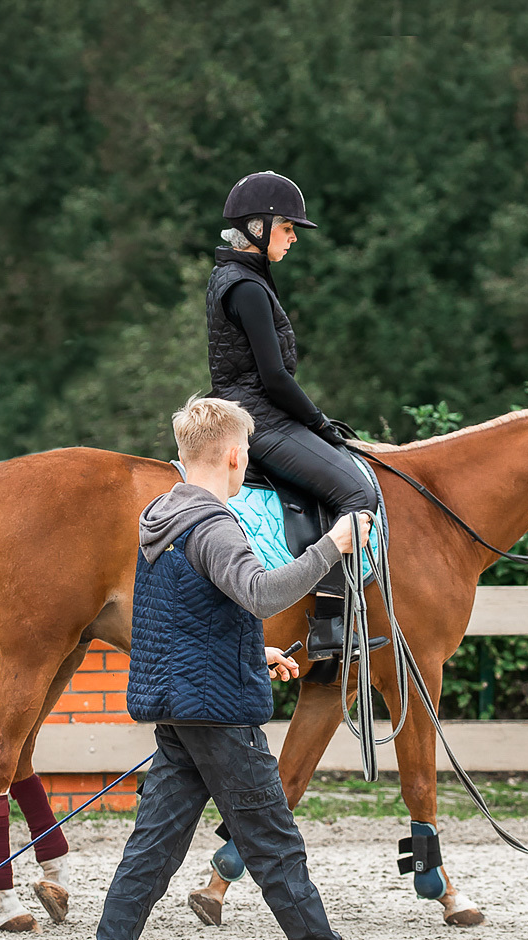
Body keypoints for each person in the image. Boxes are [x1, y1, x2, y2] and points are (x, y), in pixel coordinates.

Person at [75, 396, 426, 940]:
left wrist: (249, 649)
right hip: (218, 714)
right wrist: (333, 545)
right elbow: (261, 592)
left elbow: (183, 613)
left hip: (179, 709)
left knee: (152, 848)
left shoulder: (161, 513)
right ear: (237, 456)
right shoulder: (215, 522)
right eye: (248, 458)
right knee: (276, 848)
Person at [206, 170, 383, 662]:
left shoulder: (240, 278)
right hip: (261, 419)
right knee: (357, 490)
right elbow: (276, 378)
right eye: (287, 229)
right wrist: (321, 424)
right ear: (259, 228)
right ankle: (329, 623)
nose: (292, 239)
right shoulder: (246, 287)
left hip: (256, 412)